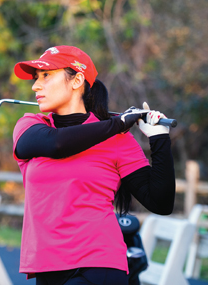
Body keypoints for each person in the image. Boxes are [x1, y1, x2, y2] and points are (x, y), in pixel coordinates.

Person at [12, 45, 175, 285]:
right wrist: (117, 124)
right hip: (48, 266)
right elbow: (56, 145)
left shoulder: (117, 140)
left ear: (77, 79)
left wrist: (159, 138)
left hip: (100, 263)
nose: (36, 85)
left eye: (46, 75)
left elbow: (160, 202)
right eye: (36, 78)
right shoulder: (30, 126)